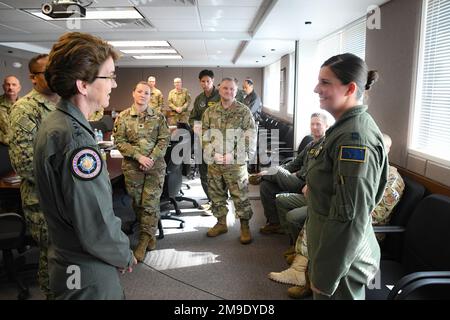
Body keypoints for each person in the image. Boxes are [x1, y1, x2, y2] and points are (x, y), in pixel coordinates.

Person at [33, 32, 136, 300]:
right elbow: (95, 223)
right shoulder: (77, 140)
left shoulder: (56, 124)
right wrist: (123, 253)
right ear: (83, 85)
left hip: (67, 262)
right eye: (109, 76)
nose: (114, 84)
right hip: (86, 271)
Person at [268, 133, 404, 300]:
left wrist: (336, 209)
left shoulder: (392, 179)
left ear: (387, 151)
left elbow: (375, 213)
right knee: (318, 216)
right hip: (345, 220)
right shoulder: (363, 170)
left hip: (367, 232)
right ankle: (303, 269)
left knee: (326, 223)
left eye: (379, 148)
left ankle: (306, 276)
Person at [305, 53, 388, 300]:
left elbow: (350, 216)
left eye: (325, 82)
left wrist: (327, 274)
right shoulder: (342, 129)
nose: (316, 88)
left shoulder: (355, 138)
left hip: (342, 259)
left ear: (350, 88)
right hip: (330, 245)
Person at [8, 54, 59, 299]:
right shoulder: (24, 109)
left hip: (67, 198)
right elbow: (25, 164)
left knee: (66, 257)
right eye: (47, 72)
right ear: (33, 78)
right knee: (51, 257)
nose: (54, 76)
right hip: (43, 200)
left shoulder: (64, 103)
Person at [113, 81, 170, 262]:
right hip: (133, 168)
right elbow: (119, 141)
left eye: (147, 93)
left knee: (150, 204)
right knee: (137, 203)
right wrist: (139, 157)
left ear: (150, 96)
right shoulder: (123, 117)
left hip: (155, 168)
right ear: (133, 93)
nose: (143, 95)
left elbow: (164, 140)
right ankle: (150, 234)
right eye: (140, 91)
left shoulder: (159, 117)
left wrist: (150, 158)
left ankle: (144, 240)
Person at [202, 77, 257, 244]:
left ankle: (245, 226)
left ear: (236, 91)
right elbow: (204, 134)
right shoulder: (209, 112)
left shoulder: (243, 111)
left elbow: (250, 136)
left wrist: (233, 155)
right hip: (215, 162)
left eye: (232, 89)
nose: (228, 91)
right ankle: (221, 223)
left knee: (240, 196)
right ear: (219, 89)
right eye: (225, 88)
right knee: (216, 194)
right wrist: (212, 152)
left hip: (235, 162)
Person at [254, 113, 328, 236]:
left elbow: (323, 172)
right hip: (296, 179)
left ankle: (262, 175)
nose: (314, 127)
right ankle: (275, 223)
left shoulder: (327, 146)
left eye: (318, 124)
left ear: (326, 126)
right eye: (312, 124)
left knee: (276, 171)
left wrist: (273, 172)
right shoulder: (310, 145)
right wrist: (283, 171)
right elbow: (294, 163)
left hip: (306, 184)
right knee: (266, 186)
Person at [189, 69, 220, 214]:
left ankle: (218, 201)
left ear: (213, 81)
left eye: (208, 81)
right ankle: (210, 199)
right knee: (203, 172)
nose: (205, 84)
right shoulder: (199, 99)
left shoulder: (220, 97)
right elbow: (193, 117)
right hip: (201, 140)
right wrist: (195, 126)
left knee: (216, 173)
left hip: (217, 141)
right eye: (203, 81)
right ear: (199, 82)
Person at [0, 75, 21, 145]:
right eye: (8, 85)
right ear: (3, 87)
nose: (10, 87)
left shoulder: (26, 105)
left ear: (19, 88)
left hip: (22, 148)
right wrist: (7, 140)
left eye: (14, 85)